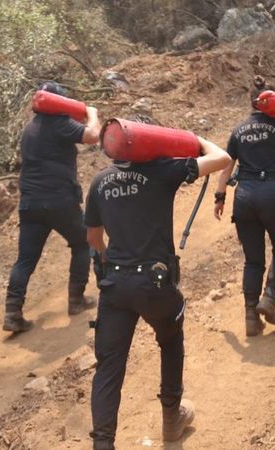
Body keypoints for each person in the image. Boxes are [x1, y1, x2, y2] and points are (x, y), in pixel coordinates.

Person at [85, 133, 232, 449]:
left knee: (109, 367)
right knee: (170, 340)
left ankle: (103, 443)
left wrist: (111, 258)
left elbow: (94, 239)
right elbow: (223, 158)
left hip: (115, 287)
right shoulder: (164, 170)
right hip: (155, 285)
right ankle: (171, 420)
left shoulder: (99, 182)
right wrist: (193, 139)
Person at [2, 81, 101, 332]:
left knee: (25, 259)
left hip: (30, 203)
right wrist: (92, 114)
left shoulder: (30, 128)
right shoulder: (59, 123)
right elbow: (92, 136)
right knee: (83, 242)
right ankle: (76, 299)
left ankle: (12, 313)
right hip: (59, 200)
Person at [213, 75, 275, 337]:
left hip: (245, 198)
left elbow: (226, 168)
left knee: (253, 260)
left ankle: (251, 317)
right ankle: (270, 297)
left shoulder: (238, 130)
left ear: (251, 102)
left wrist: (220, 197)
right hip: (274, 195)